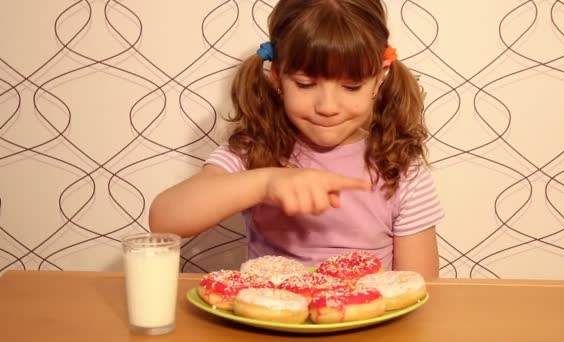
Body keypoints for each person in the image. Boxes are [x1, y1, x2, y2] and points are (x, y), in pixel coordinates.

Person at [149, 0, 444, 279]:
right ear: (277, 76)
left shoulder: (400, 167)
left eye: (351, 86)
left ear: (379, 78)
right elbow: (165, 219)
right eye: (305, 84)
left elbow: (420, 288)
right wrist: (265, 183)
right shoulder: (256, 150)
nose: (327, 106)